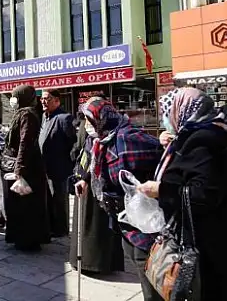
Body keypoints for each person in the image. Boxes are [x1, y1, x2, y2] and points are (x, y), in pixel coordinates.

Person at [137, 88, 227, 301]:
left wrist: (160, 190)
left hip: (210, 246)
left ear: (183, 110)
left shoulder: (204, 140)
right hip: (226, 236)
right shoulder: (216, 132)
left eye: (167, 112)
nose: (165, 119)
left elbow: (202, 195)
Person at [73, 97, 162, 301]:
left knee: (145, 263)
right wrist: (84, 179)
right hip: (123, 216)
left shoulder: (127, 138)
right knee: (133, 255)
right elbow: (94, 163)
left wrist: (151, 185)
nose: (87, 125)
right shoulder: (102, 140)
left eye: (90, 120)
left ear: (102, 119)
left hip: (142, 217)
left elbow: (159, 154)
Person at [68, 115, 125, 275]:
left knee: (99, 226)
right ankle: (84, 260)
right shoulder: (90, 136)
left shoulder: (111, 137)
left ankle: (99, 263)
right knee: (84, 223)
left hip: (101, 187)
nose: (87, 123)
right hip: (85, 183)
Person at [2, 85, 50, 251]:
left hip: (29, 168)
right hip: (24, 165)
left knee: (27, 205)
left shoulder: (28, 115)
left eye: (15, 97)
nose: (12, 100)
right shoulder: (21, 113)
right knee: (19, 204)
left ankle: (28, 240)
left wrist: (19, 168)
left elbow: (25, 142)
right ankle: (20, 237)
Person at [39, 89, 77, 237]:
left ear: (57, 101)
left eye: (47, 99)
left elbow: (73, 144)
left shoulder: (64, 118)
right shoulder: (44, 117)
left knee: (59, 200)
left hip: (59, 168)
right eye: (42, 98)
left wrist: (68, 164)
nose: (43, 101)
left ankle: (60, 229)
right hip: (45, 167)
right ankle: (51, 226)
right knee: (49, 199)